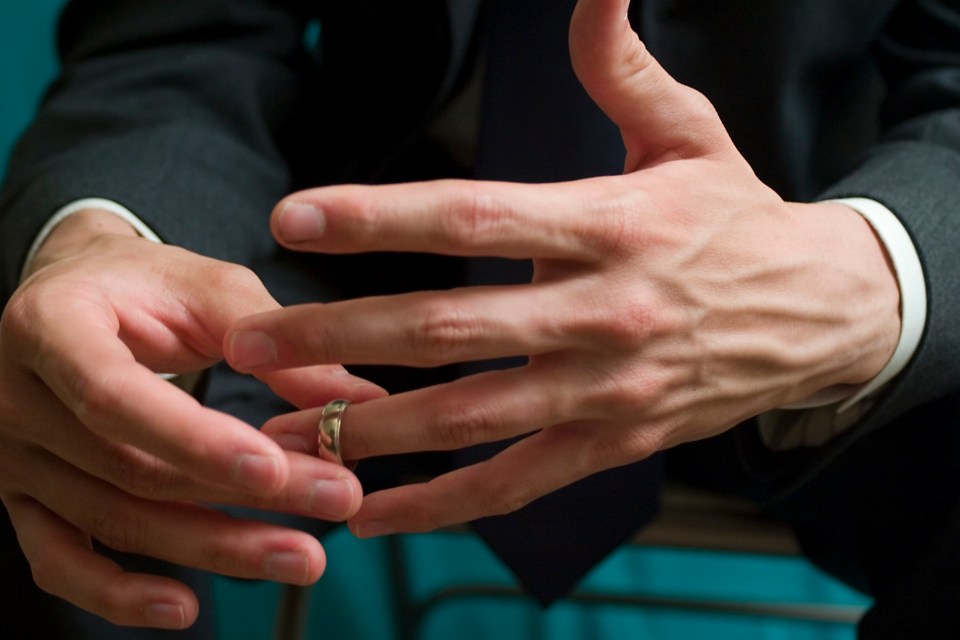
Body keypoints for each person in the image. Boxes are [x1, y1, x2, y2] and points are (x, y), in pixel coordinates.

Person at [1, 0, 958, 637]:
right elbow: (184, 37)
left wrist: (873, 271)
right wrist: (97, 237)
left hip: (812, 257)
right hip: (349, 277)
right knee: (50, 404)